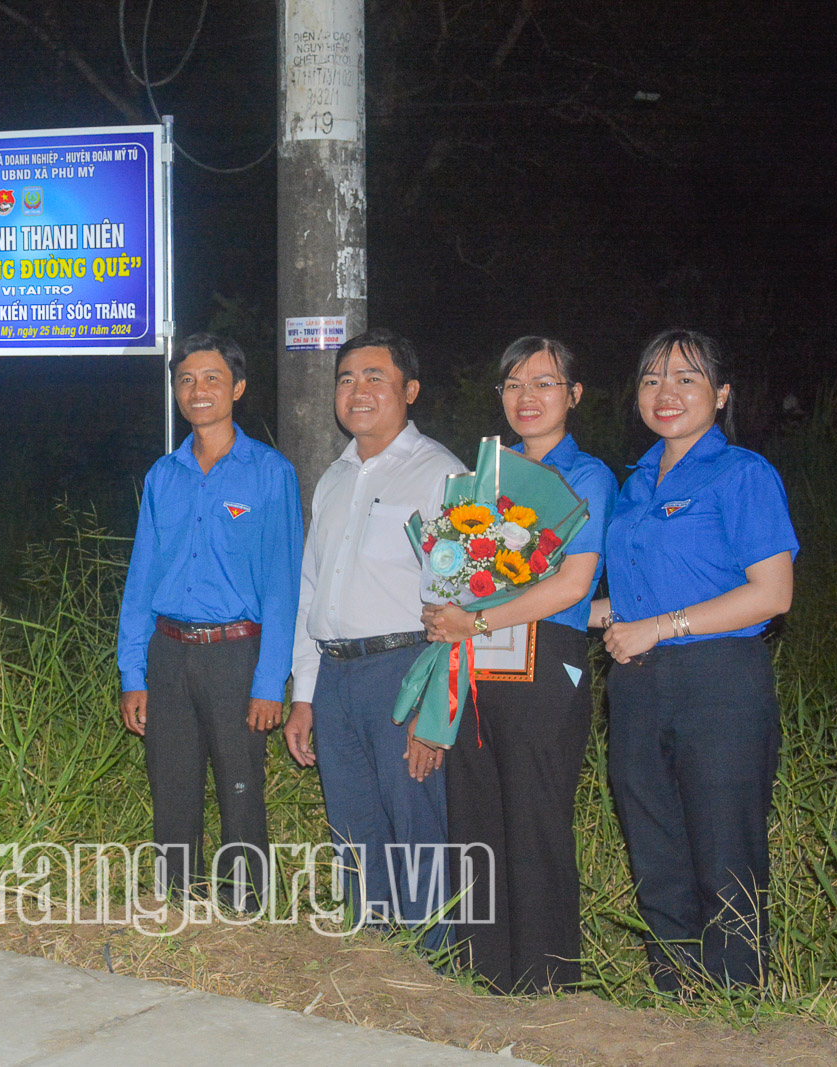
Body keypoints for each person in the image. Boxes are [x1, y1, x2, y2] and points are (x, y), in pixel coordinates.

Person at [589, 329, 796, 991]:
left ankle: (736, 1005)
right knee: (655, 848)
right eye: (652, 379)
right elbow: (622, 601)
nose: (667, 393)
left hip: (719, 680)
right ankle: (676, 995)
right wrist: (516, 604)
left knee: (724, 851)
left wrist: (661, 625)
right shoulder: (633, 482)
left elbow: (772, 591)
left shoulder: (742, 473)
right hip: (637, 686)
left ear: (721, 393)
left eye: (686, 378)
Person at [419, 337, 617, 992]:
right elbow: (456, 573)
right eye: (513, 384)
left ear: (574, 395)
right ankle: (485, 978)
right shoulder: (485, 478)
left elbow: (570, 586)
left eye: (544, 383)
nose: (526, 397)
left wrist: (472, 619)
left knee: (534, 823)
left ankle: (546, 986)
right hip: (479, 663)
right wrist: (445, 604)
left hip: (545, 663)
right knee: (475, 818)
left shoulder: (586, 477)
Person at [284, 329, 466, 938]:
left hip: (405, 672)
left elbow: (463, 601)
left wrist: (436, 713)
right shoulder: (332, 478)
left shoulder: (442, 475)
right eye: (345, 379)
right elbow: (312, 591)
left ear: (409, 390)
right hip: (335, 676)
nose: (356, 391)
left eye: (374, 377)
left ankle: (436, 972)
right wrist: (304, 694)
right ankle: (374, 972)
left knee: (418, 828)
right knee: (356, 832)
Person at [116, 333, 302, 911]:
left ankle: (246, 911)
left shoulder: (270, 473)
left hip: (235, 654)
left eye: (213, 378)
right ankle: (178, 905)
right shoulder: (163, 475)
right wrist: (132, 672)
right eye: (187, 380)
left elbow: (283, 585)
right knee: (171, 789)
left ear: (238, 388)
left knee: (241, 790)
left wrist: (271, 683)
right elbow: (141, 579)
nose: (198, 391)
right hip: (168, 651)